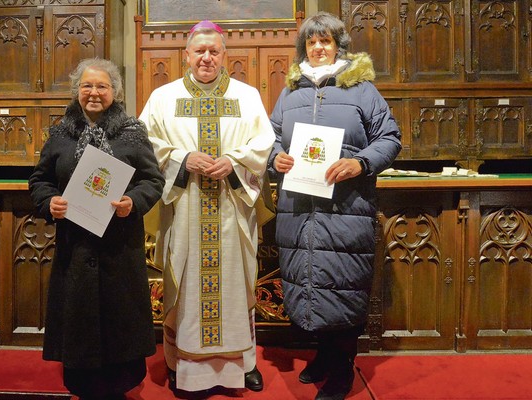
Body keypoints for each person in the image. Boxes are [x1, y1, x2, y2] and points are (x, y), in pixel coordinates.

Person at [267, 12, 401, 400]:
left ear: (338, 46)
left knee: (342, 282)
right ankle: (323, 356)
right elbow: (271, 138)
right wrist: (276, 158)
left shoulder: (362, 90)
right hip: (299, 207)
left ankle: (342, 367)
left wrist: (359, 162)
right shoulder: (290, 92)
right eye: (311, 42)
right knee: (311, 280)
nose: (318, 47)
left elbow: (389, 138)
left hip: (346, 207)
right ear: (304, 48)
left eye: (325, 41)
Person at [139, 20, 275, 393]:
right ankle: (181, 364)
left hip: (233, 208)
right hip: (185, 210)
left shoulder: (247, 97)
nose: (206, 57)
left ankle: (243, 363)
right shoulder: (163, 98)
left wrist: (234, 161)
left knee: (236, 284)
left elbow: (263, 143)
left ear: (224, 55)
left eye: (214, 51)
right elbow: (145, 145)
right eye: (199, 51)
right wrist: (183, 159)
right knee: (184, 283)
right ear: (186, 55)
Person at [28, 58, 165, 400]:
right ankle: (84, 388)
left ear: (115, 92)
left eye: (102, 86)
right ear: (76, 91)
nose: (94, 93)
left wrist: (132, 201)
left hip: (119, 248)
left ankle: (120, 388)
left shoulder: (132, 132)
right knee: (80, 324)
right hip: (75, 249)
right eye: (87, 86)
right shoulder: (60, 133)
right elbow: (40, 179)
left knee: (120, 324)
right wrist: (51, 202)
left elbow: (152, 179)